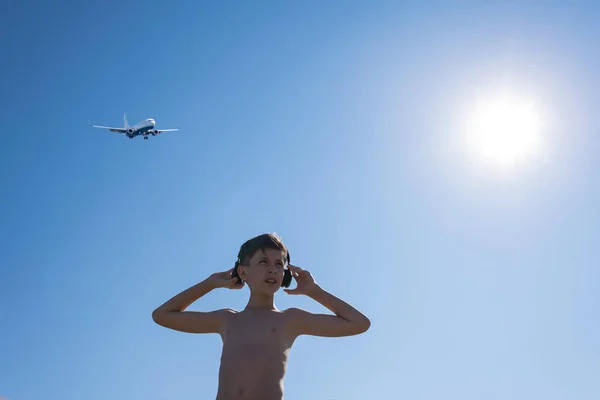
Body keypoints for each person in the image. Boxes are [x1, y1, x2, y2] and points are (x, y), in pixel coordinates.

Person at [152, 233, 371, 400]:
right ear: (243, 272)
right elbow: (162, 315)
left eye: (279, 264)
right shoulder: (227, 320)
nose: (273, 270)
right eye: (263, 262)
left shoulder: (290, 320)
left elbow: (359, 323)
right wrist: (209, 284)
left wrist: (315, 291)